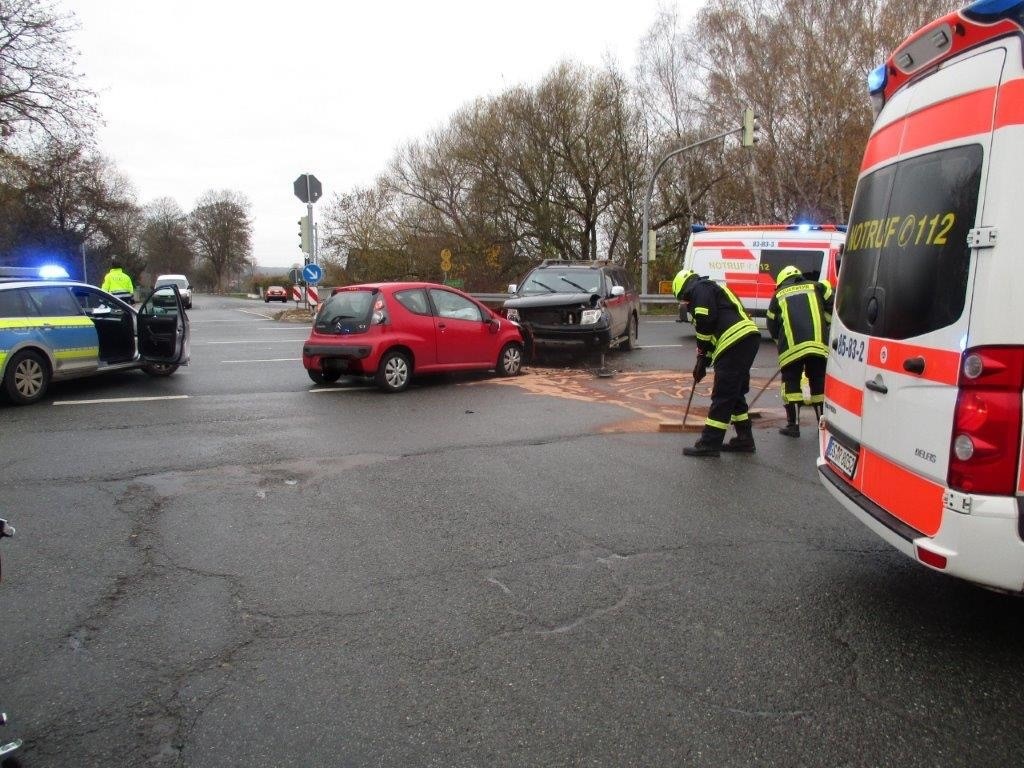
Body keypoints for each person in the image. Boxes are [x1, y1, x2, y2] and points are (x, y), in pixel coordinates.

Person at [673, 269, 761, 457]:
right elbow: (713, 330)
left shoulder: (699, 288)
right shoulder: (712, 289)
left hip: (734, 341)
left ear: (684, 289)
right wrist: (704, 361)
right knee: (735, 393)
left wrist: (701, 355)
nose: (687, 305)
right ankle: (745, 439)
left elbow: (705, 321)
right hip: (745, 339)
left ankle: (710, 443)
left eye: (684, 300)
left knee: (722, 394)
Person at [765, 266, 834, 437]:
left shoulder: (778, 295)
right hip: (818, 345)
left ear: (780, 282)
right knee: (818, 382)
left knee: (791, 383)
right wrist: (825, 324)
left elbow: (771, 323)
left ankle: (793, 426)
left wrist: (778, 342)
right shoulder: (816, 286)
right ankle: (822, 425)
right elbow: (831, 305)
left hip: (792, 347)